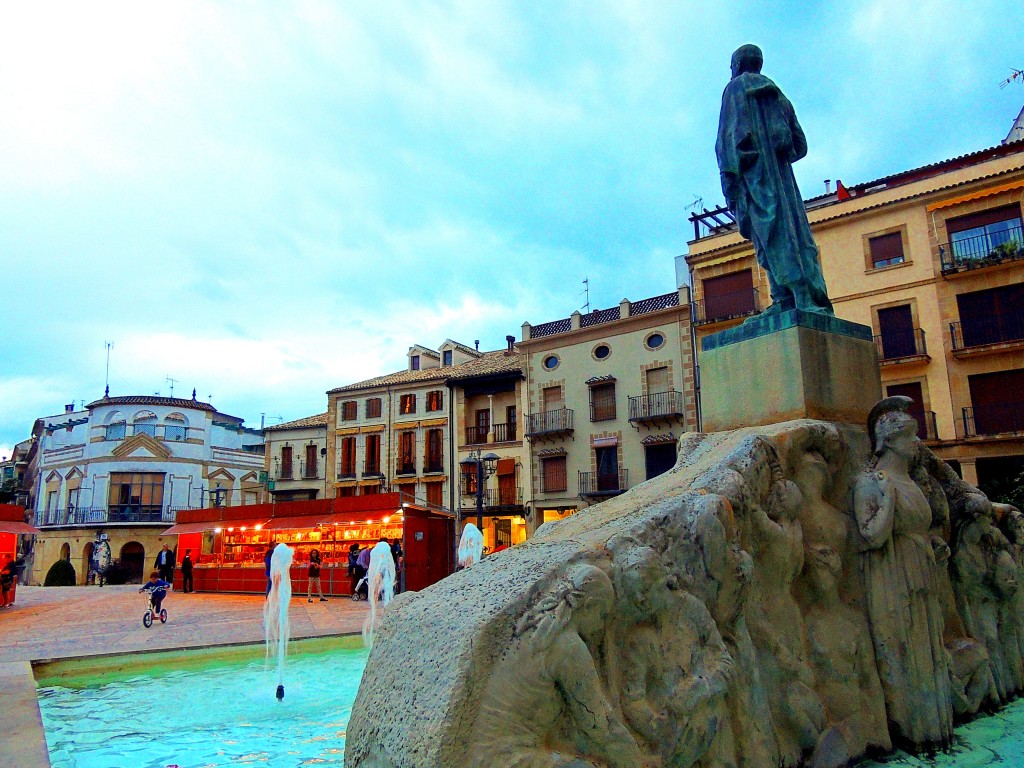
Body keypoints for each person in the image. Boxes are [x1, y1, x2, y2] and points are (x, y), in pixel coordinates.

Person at [716, 44, 832, 316]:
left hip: (754, 176)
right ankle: (788, 298)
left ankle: (795, 295)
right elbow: (800, 144)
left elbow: (728, 137)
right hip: (783, 179)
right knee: (790, 230)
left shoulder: (735, 88)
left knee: (769, 234)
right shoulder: (779, 96)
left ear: (737, 64)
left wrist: (731, 176)